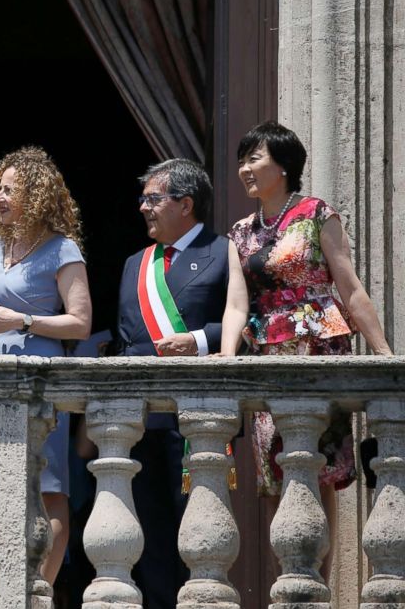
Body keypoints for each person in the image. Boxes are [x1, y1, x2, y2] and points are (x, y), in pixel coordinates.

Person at [220, 121, 392, 573]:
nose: (244, 169)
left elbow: (350, 288)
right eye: (242, 160)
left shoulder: (318, 214)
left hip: (318, 351)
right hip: (265, 355)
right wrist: (224, 361)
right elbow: (237, 305)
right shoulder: (239, 231)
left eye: (254, 158)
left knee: (317, 467)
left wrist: (385, 355)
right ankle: (291, 576)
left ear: (284, 164)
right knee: (277, 470)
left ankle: (316, 580)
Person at [0, 146, 91, 586]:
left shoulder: (61, 249)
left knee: (48, 486)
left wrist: (19, 319)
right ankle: (2, 583)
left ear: (36, 195)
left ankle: (40, 588)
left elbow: (80, 324)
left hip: (41, 379)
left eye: (9, 189)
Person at [113, 158, 229, 608]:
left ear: (185, 204)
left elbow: (247, 323)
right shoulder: (133, 264)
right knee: (150, 538)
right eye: (143, 199)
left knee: (198, 533)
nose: (143, 207)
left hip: (195, 420)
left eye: (153, 199)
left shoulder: (222, 252)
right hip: (141, 421)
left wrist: (199, 341)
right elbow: (125, 338)